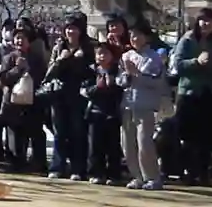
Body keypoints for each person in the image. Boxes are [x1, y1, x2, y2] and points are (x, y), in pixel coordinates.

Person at [169, 8, 212, 186]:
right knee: (187, 136)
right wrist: (196, 62)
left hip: (209, 94)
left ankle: (204, 173)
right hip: (188, 94)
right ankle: (188, 172)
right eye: (203, 20)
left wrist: (210, 65)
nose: (206, 24)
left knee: (207, 137)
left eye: (210, 21)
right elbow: (178, 65)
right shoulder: (187, 40)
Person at [121, 21, 169, 189]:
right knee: (127, 144)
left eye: (138, 35)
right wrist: (125, 76)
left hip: (145, 105)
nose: (134, 38)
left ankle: (152, 177)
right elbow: (121, 79)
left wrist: (136, 74)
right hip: (128, 105)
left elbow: (155, 81)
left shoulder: (154, 58)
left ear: (147, 37)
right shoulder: (126, 56)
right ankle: (137, 176)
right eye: (132, 35)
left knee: (144, 143)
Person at [44, 14, 93, 180]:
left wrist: (80, 60)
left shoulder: (88, 48)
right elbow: (49, 73)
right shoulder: (59, 47)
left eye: (74, 28)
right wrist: (60, 59)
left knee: (78, 132)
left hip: (79, 95)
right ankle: (57, 166)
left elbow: (91, 71)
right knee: (59, 132)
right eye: (68, 28)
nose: (71, 32)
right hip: (59, 93)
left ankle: (78, 168)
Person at [0, 26, 47, 174]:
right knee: (15, 134)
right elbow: (3, 79)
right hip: (13, 103)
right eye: (17, 38)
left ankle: (38, 163)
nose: (19, 41)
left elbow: (42, 78)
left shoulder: (36, 58)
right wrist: (17, 69)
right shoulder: (8, 58)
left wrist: (28, 69)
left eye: (23, 38)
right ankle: (16, 163)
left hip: (33, 102)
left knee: (36, 133)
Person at [83, 39, 124, 183]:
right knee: (95, 145)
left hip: (113, 112)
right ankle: (96, 173)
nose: (102, 56)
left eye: (105, 53)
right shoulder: (90, 71)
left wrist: (112, 85)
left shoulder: (117, 71)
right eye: (99, 53)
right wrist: (97, 87)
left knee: (113, 146)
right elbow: (85, 90)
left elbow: (122, 90)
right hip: (95, 111)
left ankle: (114, 174)